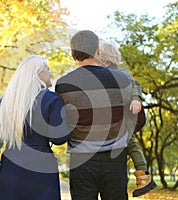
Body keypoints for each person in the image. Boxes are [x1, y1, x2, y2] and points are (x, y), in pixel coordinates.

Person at [55, 30, 138, 200]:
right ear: (97, 51)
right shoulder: (122, 79)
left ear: (73, 55)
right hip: (115, 159)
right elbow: (137, 118)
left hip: (81, 161)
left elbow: (64, 123)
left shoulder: (63, 85)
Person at [0, 55, 71, 200]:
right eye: (47, 69)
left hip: (11, 169)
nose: (50, 73)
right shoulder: (51, 99)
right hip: (42, 168)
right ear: (38, 73)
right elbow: (58, 138)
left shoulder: (5, 101)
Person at [98, 41, 157, 197]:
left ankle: (144, 176)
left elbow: (135, 85)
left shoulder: (120, 73)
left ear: (104, 59)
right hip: (122, 117)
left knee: (130, 143)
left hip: (127, 116)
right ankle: (143, 175)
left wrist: (136, 99)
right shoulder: (109, 73)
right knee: (128, 143)